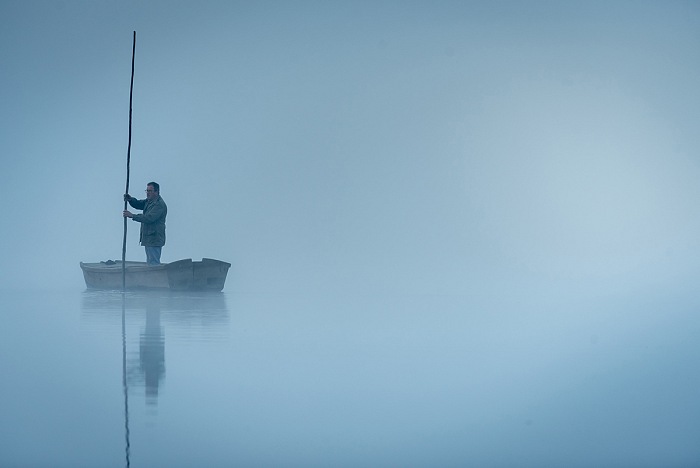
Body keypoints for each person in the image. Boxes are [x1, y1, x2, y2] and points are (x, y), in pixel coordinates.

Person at [123, 182, 167, 265]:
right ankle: (153, 277)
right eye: (147, 191)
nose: (148, 193)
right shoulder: (149, 201)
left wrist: (132, 216)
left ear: (156, 192)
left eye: (150, 191)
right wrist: (130, 199)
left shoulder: (159, 205)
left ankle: (155, 277)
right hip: (149, 238)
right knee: (150, 262)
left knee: (153, 263)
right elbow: (139, 204)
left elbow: (149, 218)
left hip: (154, 238)